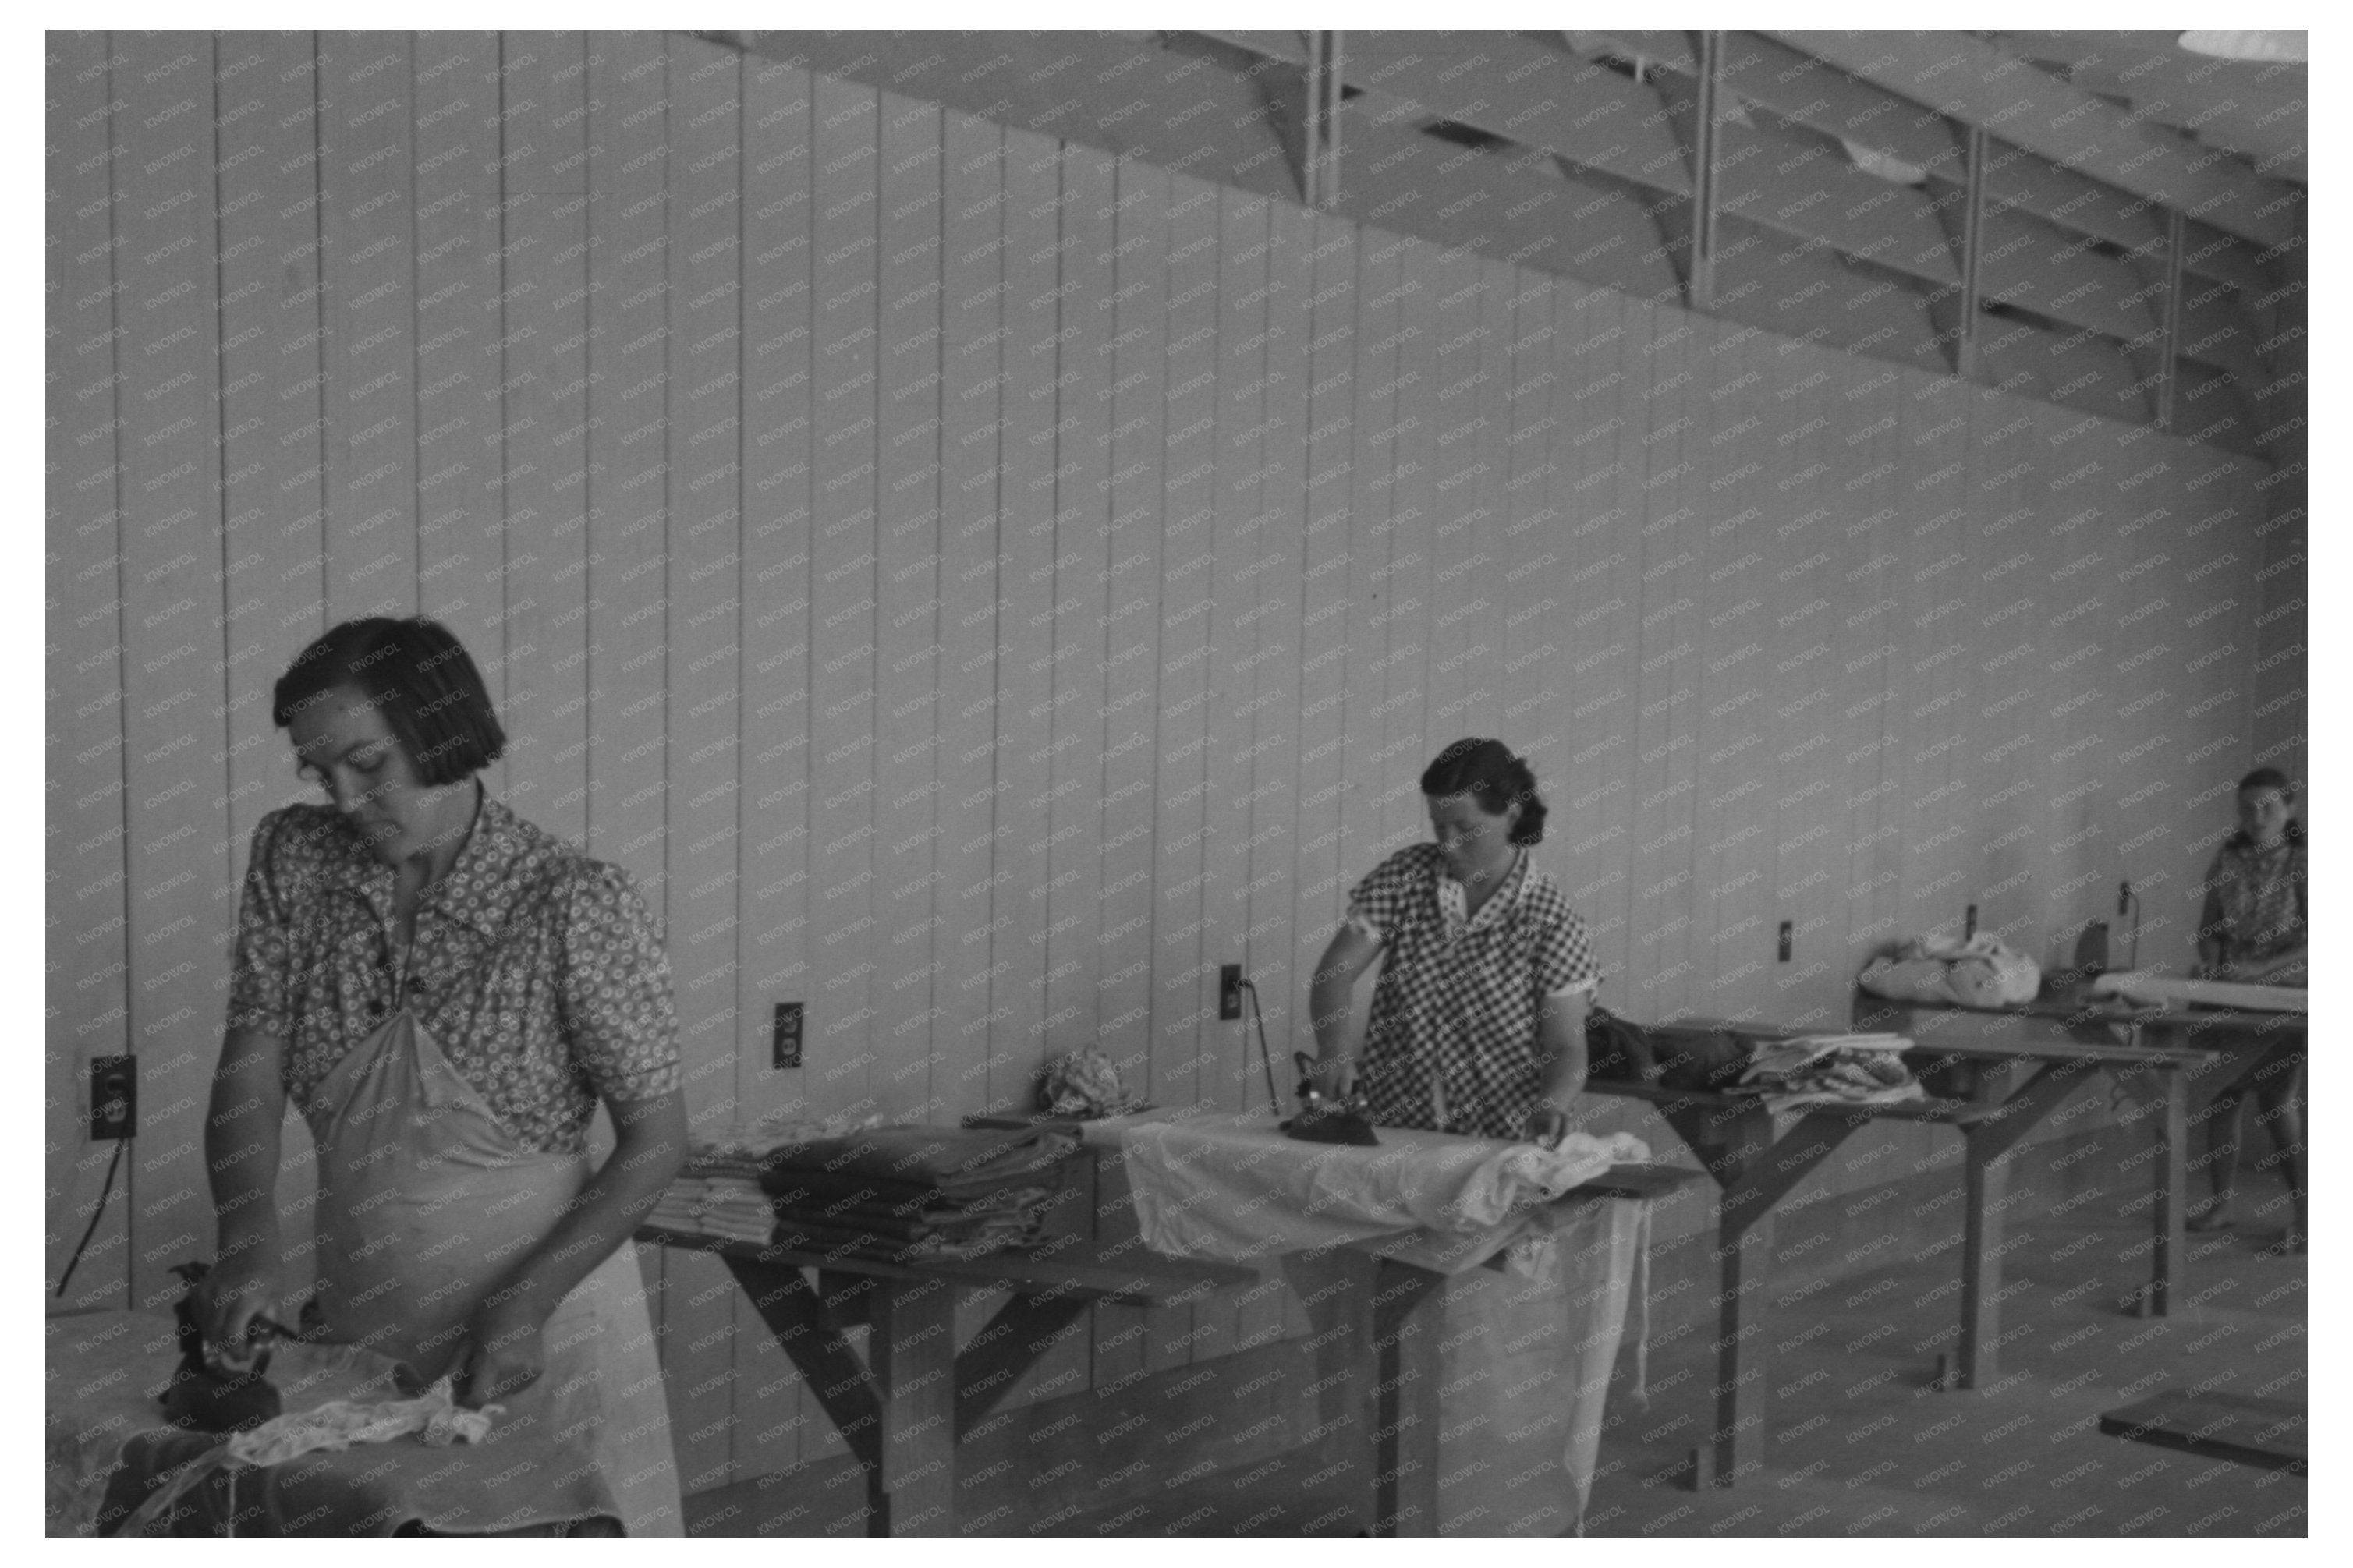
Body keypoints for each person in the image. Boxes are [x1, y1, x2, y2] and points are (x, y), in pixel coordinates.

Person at [197, 617, 688, 1534]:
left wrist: (523, 1303)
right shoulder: (295, 863)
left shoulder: (570, 901)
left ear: (443, 734)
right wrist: (246, 1235)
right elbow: (250, 1066)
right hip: (361, 1315)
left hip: (543, 1328)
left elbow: (658, 1141)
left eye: (367, 763)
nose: (343, 797)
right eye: (318, 771)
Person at [1307, 739, 1599, 1145]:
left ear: (1512, 814)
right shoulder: (1408, 875)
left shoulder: (1550, 920)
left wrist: (1552, 1105)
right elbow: (1335, 974)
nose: (1448, 843)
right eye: (1439, 825)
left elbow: (1566, 1047)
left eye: (1466, 828)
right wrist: (1334, 1050)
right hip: (1396, 1125)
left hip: (1498, 1137)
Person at [2185, 766, 2305, 1253]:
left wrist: (2261, 972)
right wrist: (2214, 966)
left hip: (2287, 993)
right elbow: (2209, 928)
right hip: (2227, 990)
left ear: (2290, 809)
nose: (2257, 815)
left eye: (2269, 805)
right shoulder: (2226, 858)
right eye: (2248, 805)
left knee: (2277, 1102)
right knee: (2220, 1095)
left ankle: (2305, 1214)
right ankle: (2221, 1204)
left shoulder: (2304, 860)